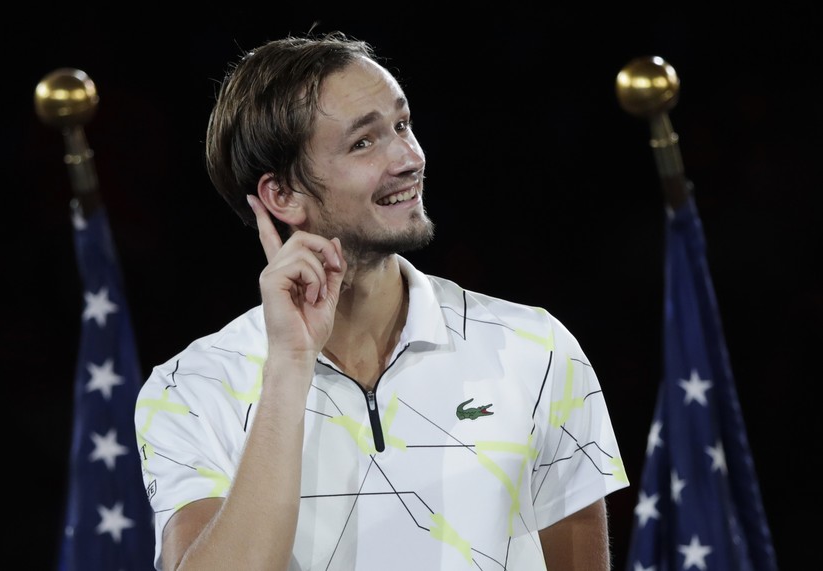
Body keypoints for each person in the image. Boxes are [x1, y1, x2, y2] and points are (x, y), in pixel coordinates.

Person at [134, 30, 630, 570]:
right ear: (284, 195)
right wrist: (289, 367)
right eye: (363, 142)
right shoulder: (190, 388)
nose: (408, 157)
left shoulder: (537, 348)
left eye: (402, 124)